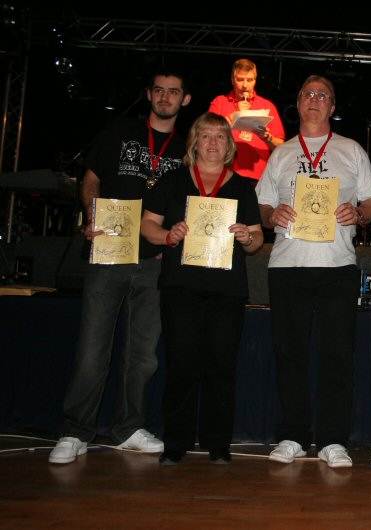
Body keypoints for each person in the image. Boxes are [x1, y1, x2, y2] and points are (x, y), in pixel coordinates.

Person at [48, 69, 192, 465]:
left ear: (185, 99)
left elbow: (187, 205)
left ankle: (128, 428)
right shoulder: (120, 131)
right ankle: (75, 431)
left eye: (173, 92)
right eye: (159, 90)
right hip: (109, 254)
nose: (165, 97)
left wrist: (170, 244)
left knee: (143, 356)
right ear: (149, 94)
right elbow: (91, 179)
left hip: (154, 262)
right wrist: (92, 213)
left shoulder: (186, 149)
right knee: (92, 350)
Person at [256, 75, 371, 468]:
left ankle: (333, 440)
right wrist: (271, 215)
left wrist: (359, 213)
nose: (314, 99)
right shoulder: (280, 153)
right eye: (307, 93)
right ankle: (292, 435)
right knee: (289, 354)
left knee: (337, 356)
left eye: (322, 95)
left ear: (332, 107)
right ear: (298, 103)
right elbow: (263, 204)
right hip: (287, 266)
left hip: (336, 266)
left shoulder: (352, 149)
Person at [141, 112, 264, 465]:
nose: (213, 143)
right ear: (195, 143)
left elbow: (257, 239)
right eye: (206, 136)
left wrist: (247, 237)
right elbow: (147, 225)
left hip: (226, 290)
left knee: (221, 367)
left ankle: (218, 442)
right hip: (181, 287)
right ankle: (175, 442)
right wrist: (168, 235)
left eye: (220, 137)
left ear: (229, 146)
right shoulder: (173, 180)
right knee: (181, 365)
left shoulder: (243, 187)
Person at [209, 58, 285, 182]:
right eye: (240, 80)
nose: (245, 85)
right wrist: (235, 115)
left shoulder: (267, 106)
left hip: (257, 177)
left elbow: (281, 147)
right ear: (232, 80)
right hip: (222, 172)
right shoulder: (219, 102)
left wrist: (268, 138)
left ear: (255, 81)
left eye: (249, 80)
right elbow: (206, 133)